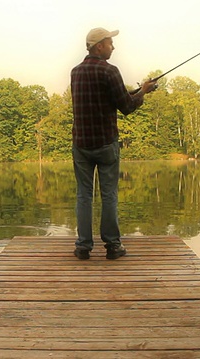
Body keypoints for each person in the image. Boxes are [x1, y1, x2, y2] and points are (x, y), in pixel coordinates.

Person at [70, 27, 157, 260]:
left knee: (83, 195)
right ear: (99, 46)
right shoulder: (110, 71)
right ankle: (112, 246)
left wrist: (138, 90)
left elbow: (111, 96)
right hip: (106, 143)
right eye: (110, 43)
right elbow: (126, 106)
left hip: (81, 144)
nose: (113, 46)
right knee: (109, 194)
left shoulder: (75, 72)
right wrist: (144, 93)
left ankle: (83, 247)